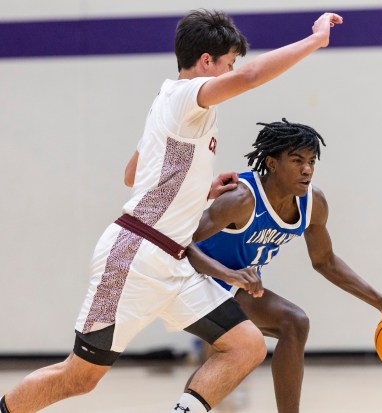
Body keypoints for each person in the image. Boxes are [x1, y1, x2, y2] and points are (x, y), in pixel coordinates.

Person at [0, 10, 343, 413]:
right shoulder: (185, 96)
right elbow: (251, 78)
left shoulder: (169, 105)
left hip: (174, 262)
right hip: (134, 259)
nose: (233, 71)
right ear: (206, 62)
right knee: (79, 377)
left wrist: (200, 189)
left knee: (245, 345)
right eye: (229, 64)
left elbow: (134, 174)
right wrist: (315, 40)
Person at [183, 119, 382, 413]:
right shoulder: (241, 199)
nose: (307, 169)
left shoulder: (313, 203)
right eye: (297, 160)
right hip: (192, 281)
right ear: (272, 164)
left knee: (293, 323)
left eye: (312, 161)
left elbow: (325, 261)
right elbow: (182, 244)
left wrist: (380, 302)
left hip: (233, 287)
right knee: (238, 352)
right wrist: (229, 274)